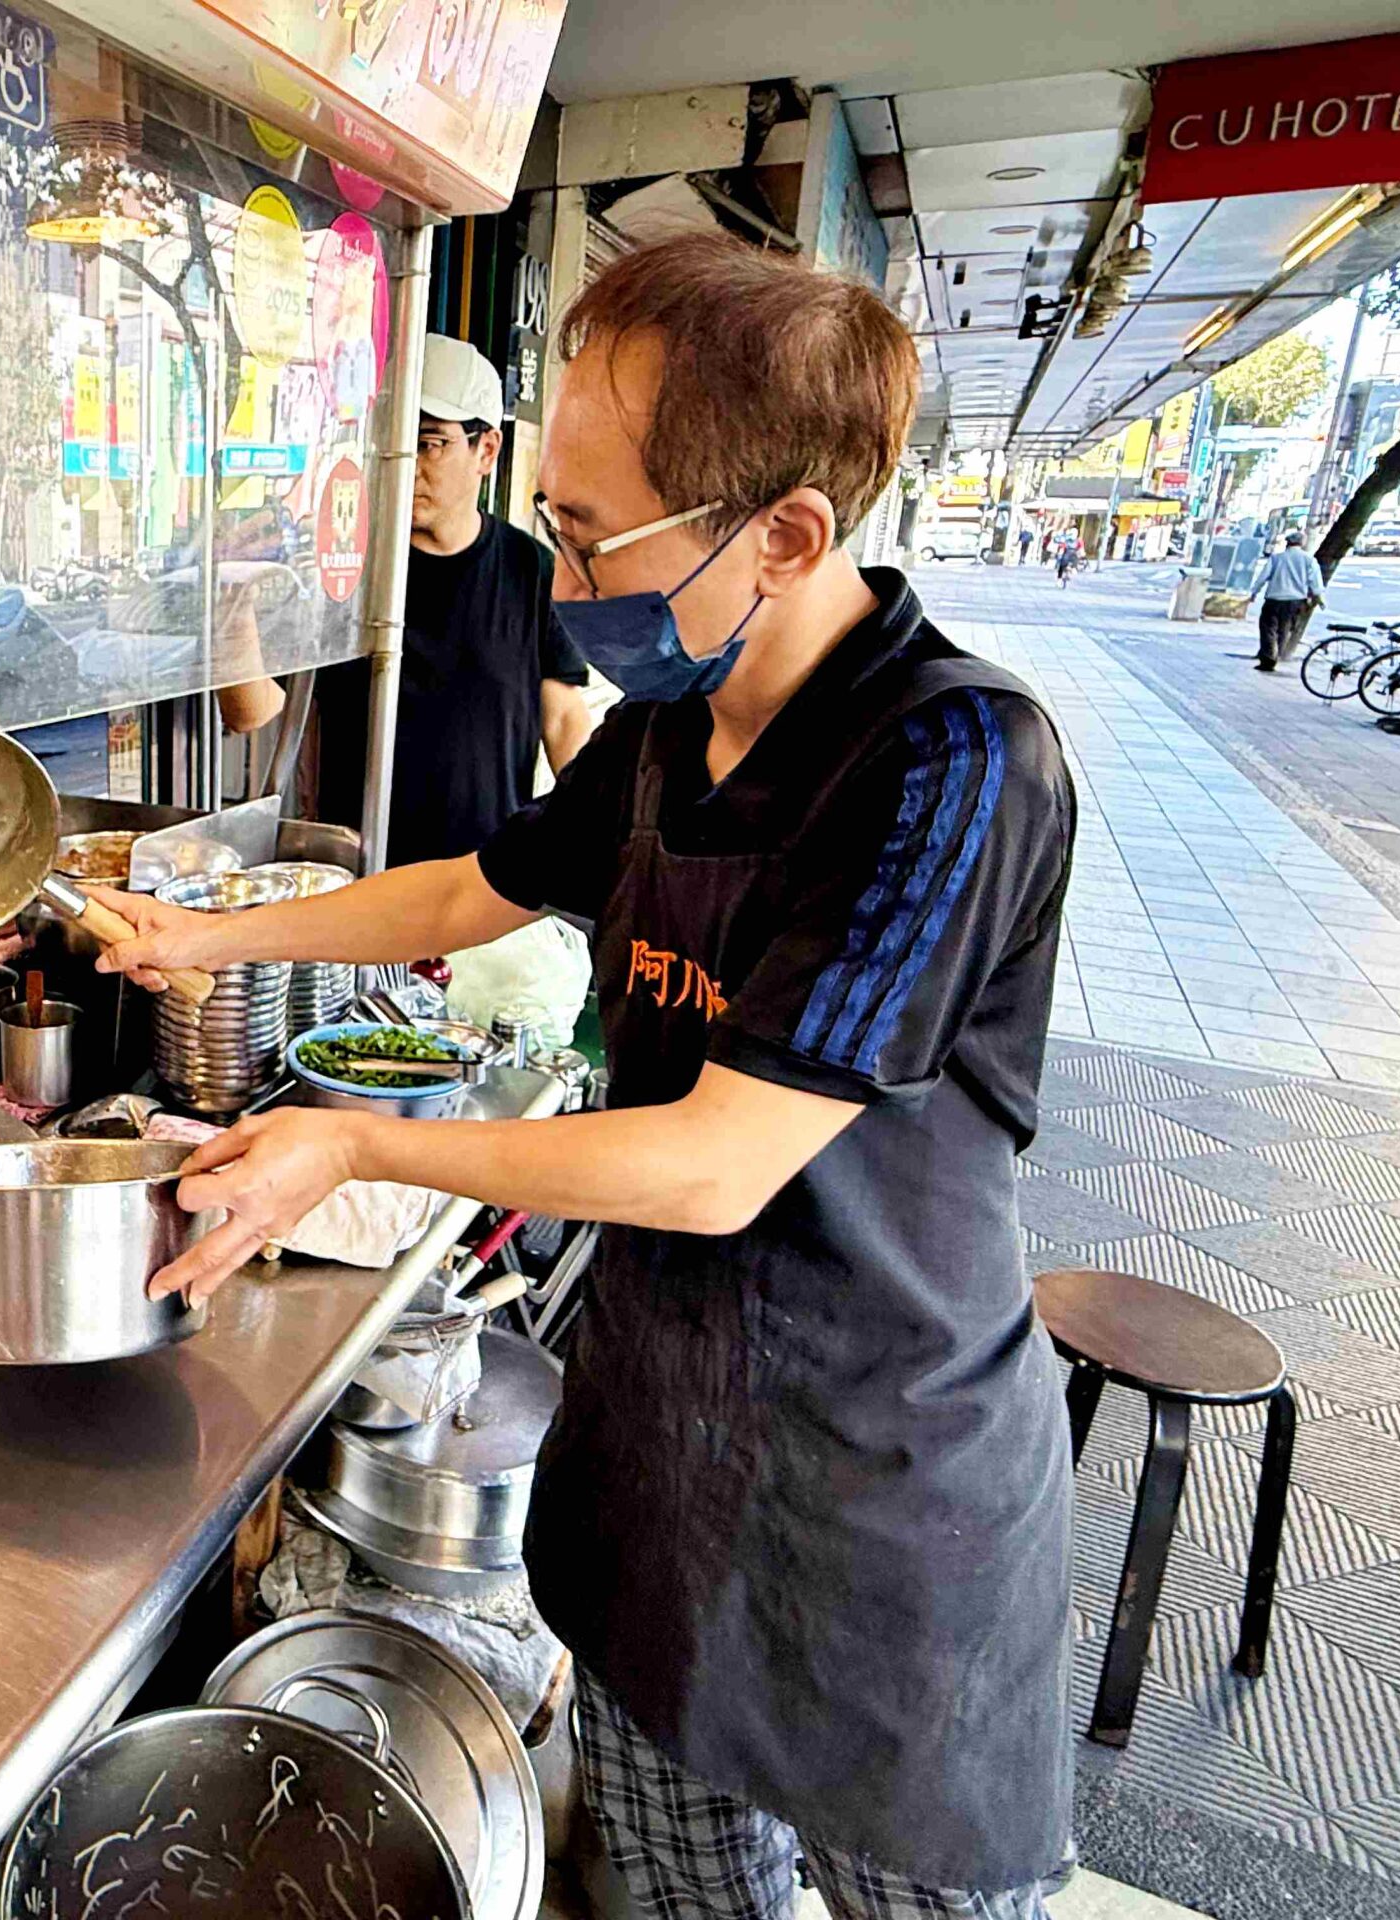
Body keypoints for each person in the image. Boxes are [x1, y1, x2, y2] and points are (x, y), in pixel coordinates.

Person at [96, 232, 1076, 1918]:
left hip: (880, 1504)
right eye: (553, 522)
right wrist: (207, 943)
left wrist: (355, 1149)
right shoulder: (665, 728)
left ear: (785, 536)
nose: (562, 582)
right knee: (688, 1891)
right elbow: (479, 885)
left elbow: (716, 1164)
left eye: (591, 534)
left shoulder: (948, 758)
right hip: (661, 1457)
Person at [307, 333, 595, 866]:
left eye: (429, 442)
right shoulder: (345, 569)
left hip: (482, 886)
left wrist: (601, 841)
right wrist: (234, 610)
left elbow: (561, 722)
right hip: (356, 883)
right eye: (391, 439)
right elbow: (261, 715)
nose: (405, 462)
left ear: (486, 450)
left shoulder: (532, 571)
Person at [1249, 529, 1325, 671]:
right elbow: (1315, 583)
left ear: (1287, 543)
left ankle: (1268, 657)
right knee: (1284, 629)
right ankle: (1276, 655)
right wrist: (1320, 599)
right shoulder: (1309, 560)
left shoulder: (1276, 558)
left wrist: (1254, 592)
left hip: (1274, 598)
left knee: (1268, 628)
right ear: (1302, 543)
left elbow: (1263, 577)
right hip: (1296, 600)